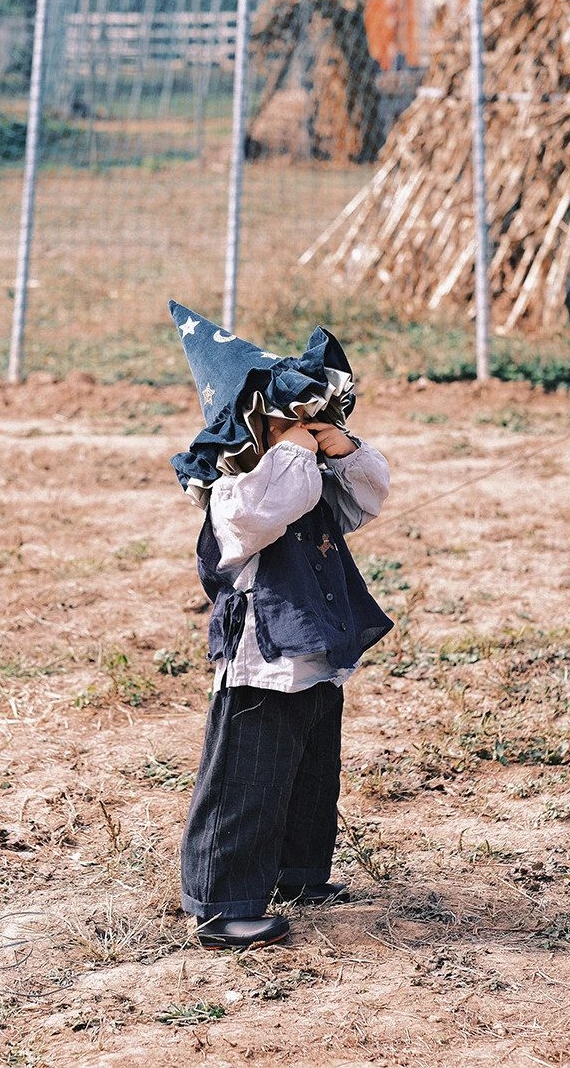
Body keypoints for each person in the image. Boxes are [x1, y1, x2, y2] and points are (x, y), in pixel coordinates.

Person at [168, 300, 393, 950]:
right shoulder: (235, 494)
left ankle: (299, 871)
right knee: (248, 777)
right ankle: (223, 900)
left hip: (317, 647)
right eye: (282, 420)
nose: (302, 429)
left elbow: (370, 493)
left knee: (310, 772)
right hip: (262, 661)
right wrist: (295, 448)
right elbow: (279, 501)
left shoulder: (307, 473)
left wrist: (339, 446)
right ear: (245, 433)